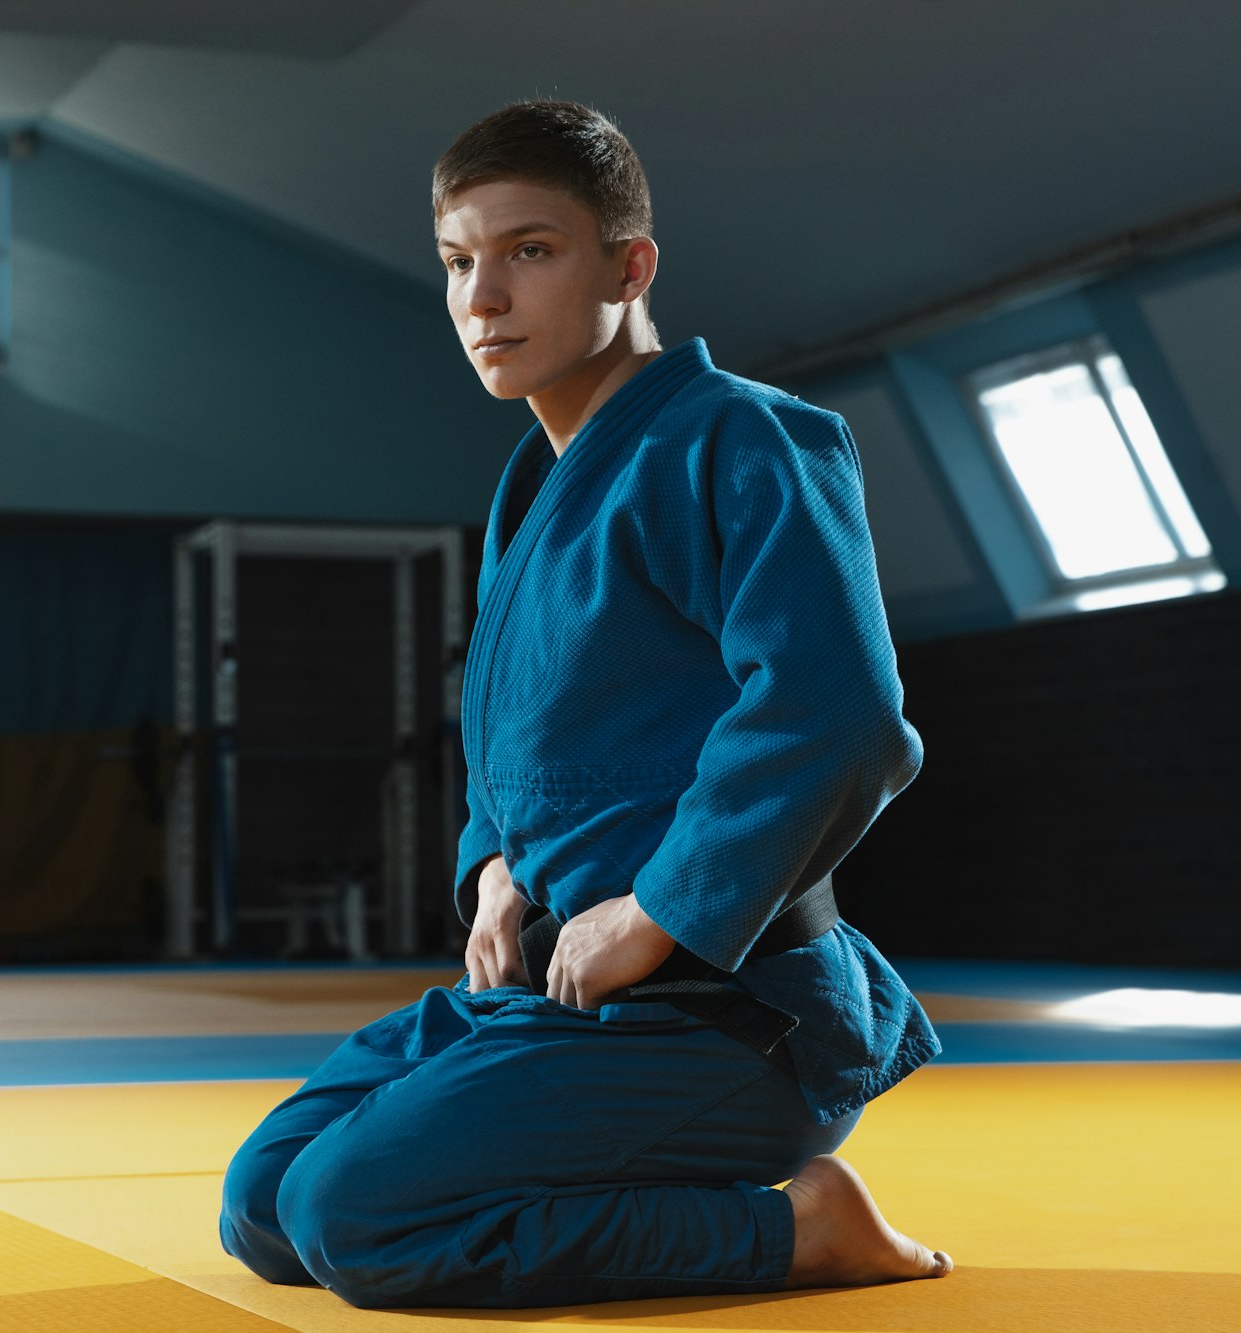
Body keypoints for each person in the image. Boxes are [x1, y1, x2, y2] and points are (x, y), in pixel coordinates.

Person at [218, 98, 949, 1310]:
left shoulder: (748, 439)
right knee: (269, 1202)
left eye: (528, 251)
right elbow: (532, 735)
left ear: (629, 264)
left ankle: (799, 1232)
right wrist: (495, 861)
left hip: (720, 1010)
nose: (481, 298)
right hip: (552, 1000)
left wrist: (662, 909)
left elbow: (841, 714)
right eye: (458, 261)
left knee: (353, 1220)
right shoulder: (534, 483)